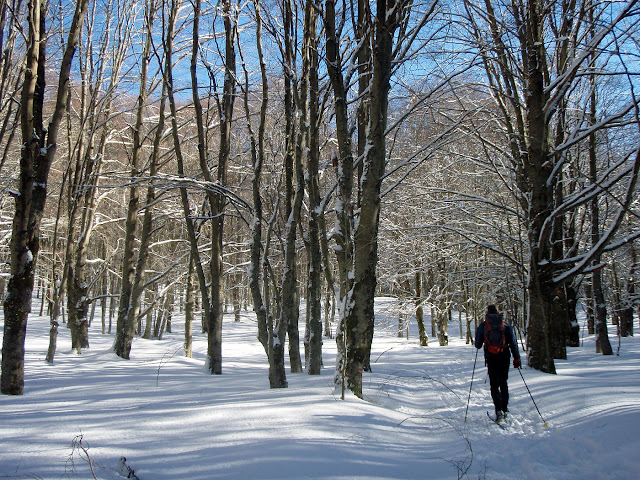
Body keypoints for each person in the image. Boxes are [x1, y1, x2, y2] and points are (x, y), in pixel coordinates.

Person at [475, 305, 521, 422]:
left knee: (494, 385)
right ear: (498, 312)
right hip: (504, 356)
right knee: (503, 383)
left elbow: (478, 345)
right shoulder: (505, 325)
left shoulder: (484, 325)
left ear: (487, 313)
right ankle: (505, 409)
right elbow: (513, 343)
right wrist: (517, 358)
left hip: (491, 358)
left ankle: (498, 410)